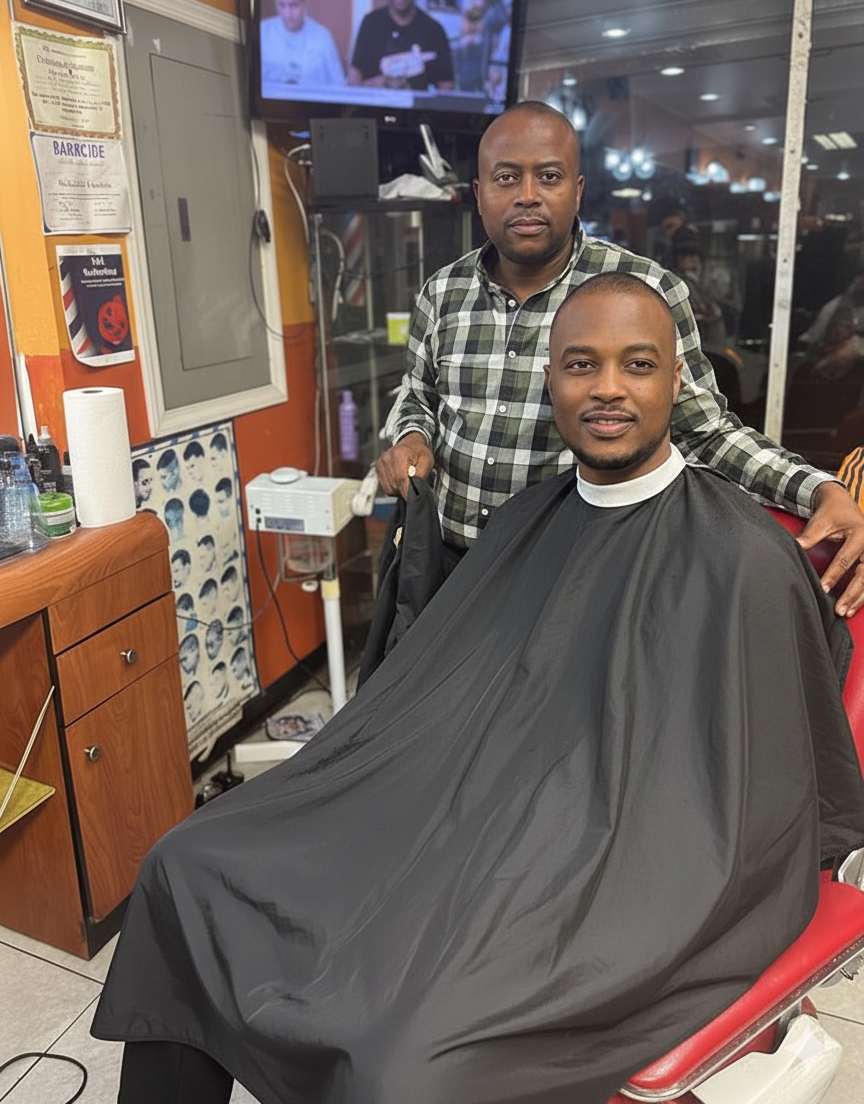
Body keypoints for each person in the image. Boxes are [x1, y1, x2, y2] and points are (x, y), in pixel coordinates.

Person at [93, 273, 864, 1104]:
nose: (608, 388)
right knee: (186, 868)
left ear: (677, 382)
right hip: (467, 801)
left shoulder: (743, 559)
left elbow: (754, 802)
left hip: (618, 863)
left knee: (402, 1065)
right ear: (551, 383)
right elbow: (439, 701)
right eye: (582, 365)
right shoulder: (527, 522)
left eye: (638, 365)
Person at [375, 100, 864, 615]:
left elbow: (705, 432)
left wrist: (817, 489)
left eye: (548, 176)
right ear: (479, 194)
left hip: (569, 577)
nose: (527, 195)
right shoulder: (443, 292)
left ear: (577, 190)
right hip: (447, 565)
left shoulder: (643, 292)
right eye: (506, 178)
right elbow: (418, 394)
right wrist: (411, 436)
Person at [349, 0, 454, 91]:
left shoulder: (434, 31)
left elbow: (447, 88)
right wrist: (384, 83)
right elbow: (353, 84)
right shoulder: (370, 24)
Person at [260, 0, 345, 88]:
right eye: (281, 5)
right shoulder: (263, 32)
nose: (288, 14)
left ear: (304, 3)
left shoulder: (323, 37)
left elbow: (339, 84)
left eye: (294, 5)